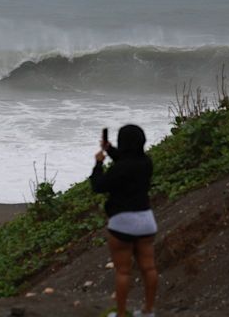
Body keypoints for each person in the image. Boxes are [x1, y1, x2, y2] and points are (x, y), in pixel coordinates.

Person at [90, 124, 158, 317]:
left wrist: (98, 164)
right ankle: (148, 311)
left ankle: (121, 314)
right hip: (146, 220)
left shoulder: (120, 168)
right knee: (149, 267)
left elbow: (98, 186)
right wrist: (110, 149)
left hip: (122, 222)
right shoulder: (146, 162)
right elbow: (127, 161)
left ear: (123, 142)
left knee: (123, 272)